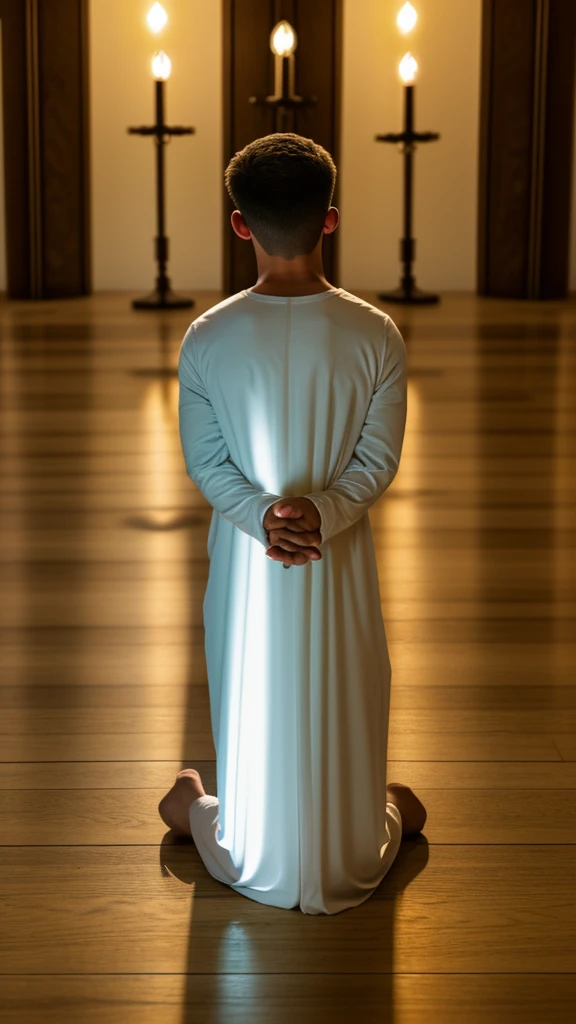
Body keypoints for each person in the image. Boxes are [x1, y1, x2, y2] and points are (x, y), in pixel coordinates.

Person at [158, 132, 426, 915]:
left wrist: (265, 517)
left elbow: (208, 466)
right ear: (331, 219)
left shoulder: (206, 338)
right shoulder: (377, 334)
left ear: (239, 225)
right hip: (336, 559)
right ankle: (362, 818)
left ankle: (199, 809)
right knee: (365, 730)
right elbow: (376, 464)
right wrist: (320, 514)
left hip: (250, 557)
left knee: (257, 684)